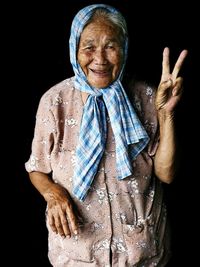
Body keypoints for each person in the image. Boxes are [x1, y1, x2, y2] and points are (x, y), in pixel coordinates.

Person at [25, 3, 188, 267]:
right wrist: (54, 193)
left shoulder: (147, 97)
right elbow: (37, 168)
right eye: (89, 47)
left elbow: (166, 173)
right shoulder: (55, 101)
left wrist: (165, 114)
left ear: (124, 49)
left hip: (141, 255)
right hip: (77, 255)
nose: (100, 59)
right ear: (74, 49)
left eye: (111, 46)